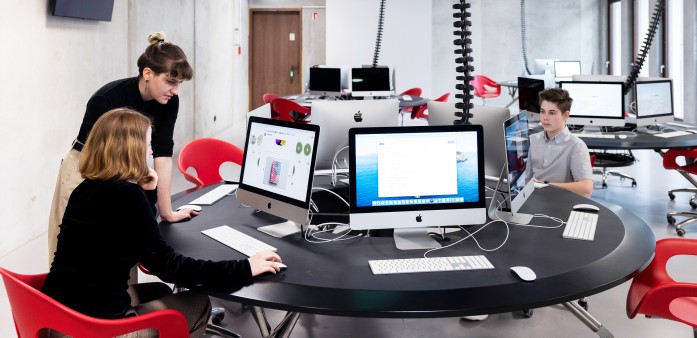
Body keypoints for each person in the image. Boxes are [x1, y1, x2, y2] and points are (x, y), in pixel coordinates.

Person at [40, 108, 284, 338]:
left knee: (159, 292)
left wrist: (147, 190)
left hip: (56, 315)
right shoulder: (127, 196)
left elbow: (132, 233)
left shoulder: (84, 189)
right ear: (130, 150)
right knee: (198, 303)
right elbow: (169, 267)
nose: (149, 151)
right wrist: (245, 267)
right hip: (95, 330)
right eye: (147, 145)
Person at [48, 32, 196, 264]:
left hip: (126, 170)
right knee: (79, 252)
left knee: (124, 250)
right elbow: (99, 165)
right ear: (148, 73)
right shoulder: (106, 99)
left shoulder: (169, 103)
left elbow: (163, 155)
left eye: (179, 84)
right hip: (86, 167)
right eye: (170, 81)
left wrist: (166, 212)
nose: (175, 90)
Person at [525, 88, 593, 198]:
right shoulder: (533, 140)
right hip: (536, 200)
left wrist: (546, 185)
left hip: (561, 202)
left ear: (565, 115)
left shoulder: (576, 146)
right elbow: (527, 179)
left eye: (552, 113)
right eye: (543, 111)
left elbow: (586, 189)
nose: (545, 118)